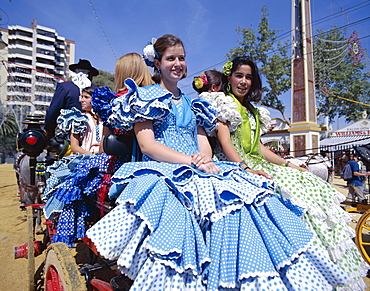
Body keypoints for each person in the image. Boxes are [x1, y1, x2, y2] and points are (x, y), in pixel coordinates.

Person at [86, 34, 349, 290]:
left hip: (197, 167)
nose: (178, 64)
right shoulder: (144, 97)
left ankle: (244, 277)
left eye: (182, 58)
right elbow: (148, 145)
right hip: (161, 169)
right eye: (170, 58)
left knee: (247, 202)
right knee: (179, 214)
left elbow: (202, 142)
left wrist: (204, 159)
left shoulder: (194, 104)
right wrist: (190, 160)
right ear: (157, 62)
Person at [196, 56, 368, 289]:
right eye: (239, 76)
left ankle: (321, 258)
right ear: (229, 77)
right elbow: (226, 143)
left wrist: (287, 164)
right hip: (232, 164)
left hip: (256, 163)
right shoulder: (223, 103)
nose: (244, 81)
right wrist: (246, 168)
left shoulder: (254, 111)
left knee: (306, 180)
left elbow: (259, 148)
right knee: (288, 190)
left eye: (249, 77)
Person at [42, 53, 153, 245]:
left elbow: (51, 114)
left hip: (114, 155)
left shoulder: (109, 102)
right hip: (105, 152)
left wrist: (48, 132)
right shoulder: (145, 98)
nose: (82, 100)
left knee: (77, 178)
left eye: (86, 97)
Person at [45, 59, 99, 140]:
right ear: (90, 75)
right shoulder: (97, 90)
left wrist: (49, 131)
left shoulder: (64, 87)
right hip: (92, 135)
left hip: (68, 135)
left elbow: (53, 111)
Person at [57, 86, 103, 154]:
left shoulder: (105, 118)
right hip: (85, 157)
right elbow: (74, 146)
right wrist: (91, 155)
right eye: (81, 97)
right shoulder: (77, 118)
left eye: (86, 97)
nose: (81, 100)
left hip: (105, 156)